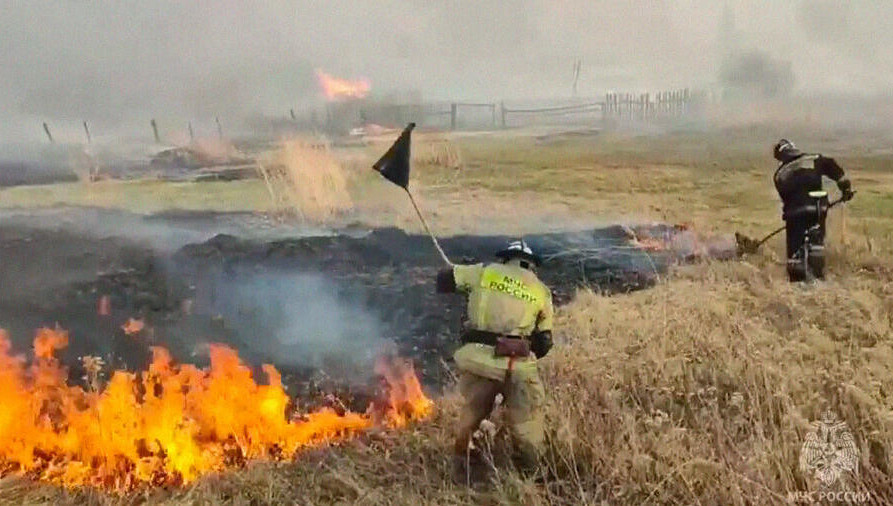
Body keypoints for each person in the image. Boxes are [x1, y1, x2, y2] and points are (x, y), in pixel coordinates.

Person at [436, 239, 554, 483]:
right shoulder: (541, 290)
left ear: (505, 258)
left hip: (477, 360)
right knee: (528, 425)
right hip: (518, 365)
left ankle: (459, 470)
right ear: (531, 265)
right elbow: (544, 342)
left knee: (468, 418)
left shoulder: (484, 271)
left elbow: (445, 280)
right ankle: (533, 479)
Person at [773, 139, 855, 281]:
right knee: (817, 239)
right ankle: (818, 274)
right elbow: (834, 169)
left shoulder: (780, 174)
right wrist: (845, 189)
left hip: (795, 213)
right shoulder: (814, 159)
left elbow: (784, 196)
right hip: (818, 208)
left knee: (795, 247)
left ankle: (797, 280)